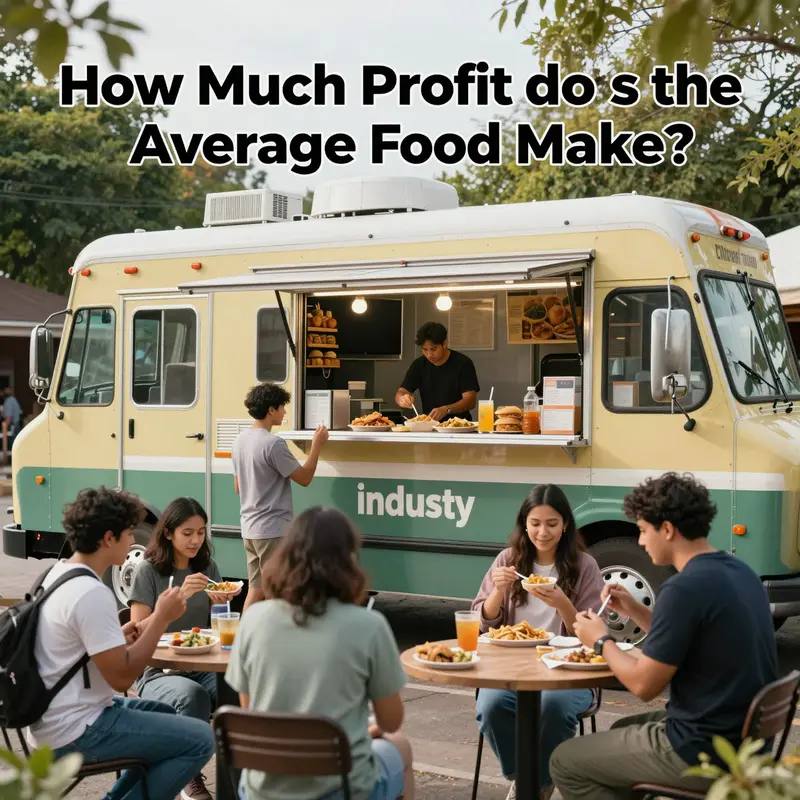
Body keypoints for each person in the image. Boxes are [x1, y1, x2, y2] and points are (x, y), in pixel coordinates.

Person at [551, 472, 779, 800]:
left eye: (643, 531)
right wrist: (636, 610)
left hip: (703, 750)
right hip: (744, 740)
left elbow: (643, 686)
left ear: (667, 529)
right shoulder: (739, 571)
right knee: (620, 731)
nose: (641, 541)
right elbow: (689, 634)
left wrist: (601, 640)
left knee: (565, 761)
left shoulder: (683, 588)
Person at [27, 487, 214, 800]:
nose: (133, 542)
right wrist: (161, 618)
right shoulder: (91, 592)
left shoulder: (57, 574)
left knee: (167, 719)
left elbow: (74, 653)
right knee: (201, 739)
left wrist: (119, 636)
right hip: (77, 729)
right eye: (129, 533)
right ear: (109, 537)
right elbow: (123, 679)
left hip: (52, 719)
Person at [226, 506, 415, 800]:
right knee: (400, 745)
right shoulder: (369, 626)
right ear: (349, 561)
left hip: (261, 790)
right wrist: (361, 731)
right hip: (341, 788)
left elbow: (251, 710)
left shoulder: (252, 620)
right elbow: (390, 722)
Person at [471, 484, 604, 800]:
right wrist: (497, 592)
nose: (543, 532)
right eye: (535, 523)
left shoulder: (585, 566)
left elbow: (592, 631)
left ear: (566, 525)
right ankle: (525, 778)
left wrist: (562, 603)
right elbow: (480, 620)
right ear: (524, 524)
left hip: (570, 672)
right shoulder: (509, 559)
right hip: (513, 669)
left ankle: (538, 785)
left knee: (553, 705)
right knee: (490, 706)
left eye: (552, 524)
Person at [129, 497, 239, 800]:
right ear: (168, 533)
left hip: (200, 664)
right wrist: (177, 596)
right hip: (155, 670)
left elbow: (213, 629)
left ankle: (239, 779)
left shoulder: (208, 567)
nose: (195, 540)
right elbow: (137, 632)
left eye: (201, 532)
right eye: (187, 533)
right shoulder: (148, 571)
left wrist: (221, 606)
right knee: (194, 697)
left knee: (240, 688)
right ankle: (187, 776)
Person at [233, 382, 328, 614]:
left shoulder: (239, 440)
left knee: (255, 591)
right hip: (273, 530)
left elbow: (238, 487)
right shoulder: (273, 444)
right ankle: (275, 642)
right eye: (283, 407)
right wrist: (317, 446)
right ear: (271, 410)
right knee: (280, 592)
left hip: (249, 528)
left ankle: (243, 640)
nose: (285, 412)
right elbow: (304, 478)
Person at [395, 321, 479, 422]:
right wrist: (402, 399)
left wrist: (446, 409)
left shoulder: (463, 363)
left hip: (459, 426)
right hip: (429, 427)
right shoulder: (419, 364)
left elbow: (470, 400)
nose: (429, 354)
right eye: (425, 350)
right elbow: (401, 392)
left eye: (433, 349)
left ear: (444, 344)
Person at [1, 386, 22, 450]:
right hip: (17, 423)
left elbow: (8, 417)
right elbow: (20, 412)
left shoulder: (9, 401)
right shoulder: (13, 399)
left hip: (13, 425)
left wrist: (4, 428)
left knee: (12, 445)